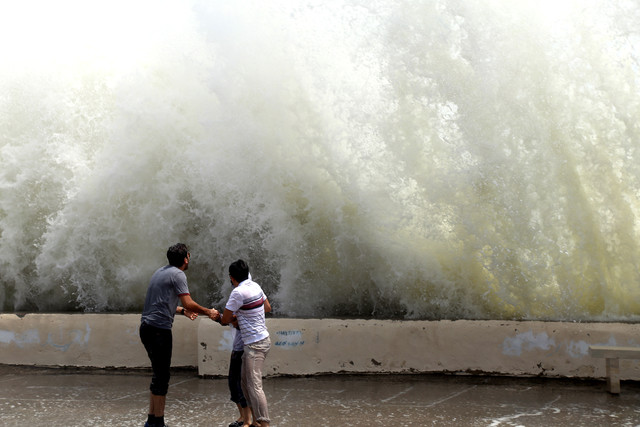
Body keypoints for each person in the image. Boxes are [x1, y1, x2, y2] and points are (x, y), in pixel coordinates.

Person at [140, 243, 220, 427]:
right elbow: (189, 302)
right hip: (159, 330)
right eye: (189, 256)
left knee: (158, 374)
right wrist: (208, 311)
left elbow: (160, 304)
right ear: (185, 259)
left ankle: (152, 420)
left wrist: (182, 312)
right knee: (162, 376)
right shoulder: (178, 274)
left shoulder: (160, 272)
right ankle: (158, 422)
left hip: (146, 327)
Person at [220, 260, 272, 427]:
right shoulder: (255, 286)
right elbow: (267, 307)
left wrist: (237, 317)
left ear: (231, 277)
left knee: (255, 386)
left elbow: (225, 319)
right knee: (244, 383)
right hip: (260, 340)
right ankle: (254, 422)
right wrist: (247, 315)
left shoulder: (238, 293)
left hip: (254, 345)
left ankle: (264, 424)